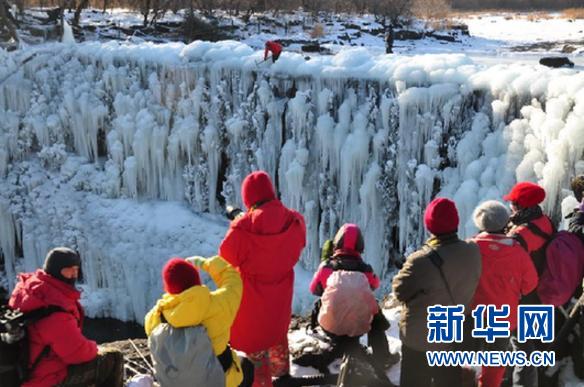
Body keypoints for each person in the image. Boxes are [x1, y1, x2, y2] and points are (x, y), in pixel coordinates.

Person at [219, 171, 306, 387]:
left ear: (248, 199)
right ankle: (282, 375)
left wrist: (240, 221)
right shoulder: (294, 220)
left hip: (251, 312)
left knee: (255, 362)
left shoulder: (242, 228)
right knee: (276, 337)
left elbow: (225, 255)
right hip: (279, 304)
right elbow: (299, 242)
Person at [392, 198, 481, 387]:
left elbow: (399, 291)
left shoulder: (420, 260)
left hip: (420, 338)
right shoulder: (473, 251)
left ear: (430, 225)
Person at [8, 247, 124, 387]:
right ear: (56, 270)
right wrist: (95, 348)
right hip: (44, 380)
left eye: (76, 269)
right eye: (68, 269)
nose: (74, 274)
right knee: (113, 358)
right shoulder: (54, 308)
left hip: (24, 371)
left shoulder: (31, 290)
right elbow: (77, 353)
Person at [144, 256, 246, 387]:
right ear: (196, 280)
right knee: (246, 366)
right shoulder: (220, 304)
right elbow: (233, 280)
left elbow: (149, 332)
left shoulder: (157, 315)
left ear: (168, 288)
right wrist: (204, 263)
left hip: (177, 382)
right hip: (221, 380)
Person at [470, 201, 538, 387]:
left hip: (471, 314)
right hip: (503, 317)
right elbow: (530, 284)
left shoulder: (470, 248)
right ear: (505, 223)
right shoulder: (517, 252)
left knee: (456, 355)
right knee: (494, 363)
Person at [309, 223, 395, 370]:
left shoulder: (326, 267)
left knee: (320, 302)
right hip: (359, 325)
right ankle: (383, 356)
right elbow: (374, 285)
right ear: (360, 246)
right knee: (374, 310)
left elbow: (314, 289)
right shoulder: (366, 269)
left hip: (330, 325)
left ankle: (317, 333)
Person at [503, 181, 553, 387]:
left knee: (521, 348)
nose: (510, 206)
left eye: (513, 203)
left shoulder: (520, 234)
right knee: (536, 346)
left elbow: (509, 267)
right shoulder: (544, 220)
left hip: (523, 296)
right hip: (540, 292)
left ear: (520, 206)